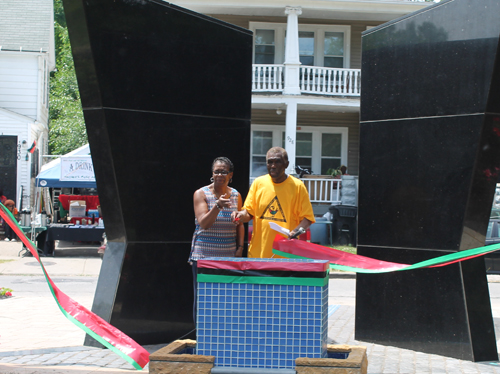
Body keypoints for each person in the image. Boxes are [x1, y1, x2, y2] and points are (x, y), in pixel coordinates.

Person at [231, 147, 315, 258]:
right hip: (259, 254)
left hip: (286, 256)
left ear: (286, 164)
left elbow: (308, 218)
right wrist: (240, 215)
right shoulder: (258, 183)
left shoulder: (298, 186)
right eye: (270, 162)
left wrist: (296, 231)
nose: (273, 166)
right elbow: (249, 213)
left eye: (277, 162)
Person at [189, 157, 244, 320]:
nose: (220, 174)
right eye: (216, 171)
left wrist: (240, 248)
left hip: (227, 256)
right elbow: (204, 223)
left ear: (230, 174)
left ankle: (222, 336)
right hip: (204, 256)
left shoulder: (236, 195)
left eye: (223, 171)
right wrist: (218, 206)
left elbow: (240, 223)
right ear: (212, 174)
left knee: (225, 299)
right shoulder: (201, 193)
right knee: (203, 299)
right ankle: (201, 336)